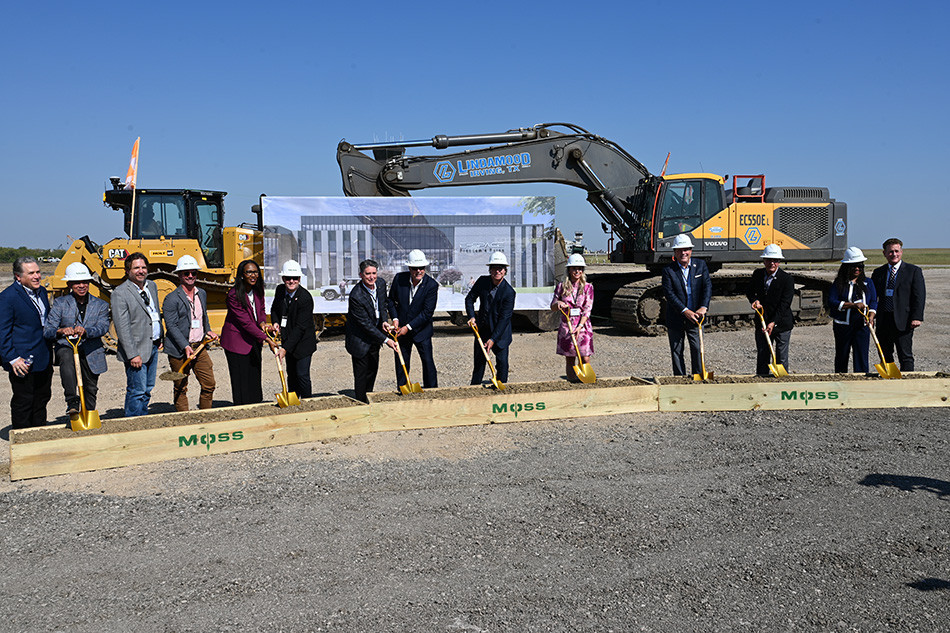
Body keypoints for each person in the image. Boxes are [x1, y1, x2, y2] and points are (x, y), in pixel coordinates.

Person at [43, 263, 110, 416]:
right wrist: (60, 331)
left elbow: (103, 327)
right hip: (67, 346)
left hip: (91, 349)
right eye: (77, 283)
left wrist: (87, 331)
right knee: (66, 358)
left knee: (91, 388)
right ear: (69, 284)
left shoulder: (101, 305)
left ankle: (89, 413)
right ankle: (72, 401)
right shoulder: (60, 304)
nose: (81, 286)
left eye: (84, 282)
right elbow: (48, 330)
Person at [0, 257, 54, 428]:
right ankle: (22, 436)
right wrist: (13, 358)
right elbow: (2, 331)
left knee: (42, 397)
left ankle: (37, 433)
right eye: (31, 273)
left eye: (38, 272)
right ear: (18, 276)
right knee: (24, 401)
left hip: (43, 357)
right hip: (22, 361)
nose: (37, 276)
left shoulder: (42, 292)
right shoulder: (7, 297)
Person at [162, 255, 218, 411]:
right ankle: (184, 420)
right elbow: (171, 326)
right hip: (179, 350)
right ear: (179, 275)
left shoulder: (202, 293)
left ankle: (205, 417)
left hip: (199, 347)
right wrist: (185, 346)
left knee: (209, 384)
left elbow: (203, 315)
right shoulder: (171, 299)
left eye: (194, 273)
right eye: (186, 273)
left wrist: (208, 330)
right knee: (180, 386)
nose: (191, 276)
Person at [111, 252, 163, 417]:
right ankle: (133, 424)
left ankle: (143, 420)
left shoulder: (152, 286)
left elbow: (153, 313)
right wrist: (132, 354)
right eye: (136, 268)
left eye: (143, 267)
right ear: (128, 271)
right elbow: (122, 327)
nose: (141, 271)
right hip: (137, 351)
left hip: (153, 345)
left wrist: (159, 336)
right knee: (137, 390)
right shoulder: (120, 293)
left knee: (148, 389)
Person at [220, 259, 277, 405]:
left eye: (256, 272)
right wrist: (267, 339)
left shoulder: (258, 290)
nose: (253, 275)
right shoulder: (234, 295)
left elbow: (261, 310)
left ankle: (256, 406)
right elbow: (245, 323)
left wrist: (263, 323)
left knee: (254, 376)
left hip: (253, 341)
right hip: (237, 343)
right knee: (241, 380)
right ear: (241, 275)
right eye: (249, 272)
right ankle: (242, 408)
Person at [345, 259, 397, 403]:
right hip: (360, 340)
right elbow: (365, 324)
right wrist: (386, 340)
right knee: (361, 374)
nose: (371, 277)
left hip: (375, 338)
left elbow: (383, 305)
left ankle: (369, 396)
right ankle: (361, 402)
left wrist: (385, 321)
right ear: (361, 274)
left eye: (374, 273)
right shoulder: (356, 295)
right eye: (368, 274)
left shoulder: (380, 284)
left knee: (372, 370)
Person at [387, 249, 439, 389]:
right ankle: (402, 389)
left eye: (421, 268)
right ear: (409, 268)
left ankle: (432, 390)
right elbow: (391, 301)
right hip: (400, 331)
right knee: (402, 363)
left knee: (428, 362)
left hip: (422, 331)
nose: (418, 271)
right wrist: (395, 318)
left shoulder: (431, 285)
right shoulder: (399, 279)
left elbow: (427, 313)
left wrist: (408, 327)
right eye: (415, 268)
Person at [871, 238, 925, 372]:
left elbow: (919, 296)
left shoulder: (913, 271)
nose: (894, 254)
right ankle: (890, 381)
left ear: (901, 252)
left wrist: (917, 317)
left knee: (905, 355)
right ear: (884, 253)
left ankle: (906, 385)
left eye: (896, 251)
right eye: (890, 252)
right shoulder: (878, 273)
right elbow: (872, 297)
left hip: (904, 321)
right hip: (884, 320)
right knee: (884, 355)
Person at [661, 234, 711, 376]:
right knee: (677, 351)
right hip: (676, 317)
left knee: (697, 348)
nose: (683, 253)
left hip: (696, 317)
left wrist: (703, 307)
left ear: (691, 251)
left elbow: (707, 287)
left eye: (686, 249)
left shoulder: (700, 266)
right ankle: (679, 379)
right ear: (675, 253)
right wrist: (685, 311)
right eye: (680, 250)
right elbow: (669, 294)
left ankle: (698, 376)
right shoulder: (668, 270)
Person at [466, 252, 516, 385]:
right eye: (494, 268)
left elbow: (505, 319)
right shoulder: (482, 281)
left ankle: (501, 387)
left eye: (500, 268)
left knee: (502, 364)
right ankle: (474, 390)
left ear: (505, 271)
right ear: (490, 270)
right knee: (479, 364)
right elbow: (469, 299)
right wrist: (472, 316)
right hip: (482, 330)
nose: (497, 271)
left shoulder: (509, 292)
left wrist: (493, 339)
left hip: (500, 333)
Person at [271, 260, 317, 399]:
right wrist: (275, 322)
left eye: (295, 278)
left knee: (302, 375)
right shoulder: (280, 290)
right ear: (283, 278)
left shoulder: (305, 298)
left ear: (299, 279)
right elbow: (275, 309)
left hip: (303, 343)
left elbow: (300, 328)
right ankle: (293, 400)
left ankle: (308, 402)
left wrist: (285, 348)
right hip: (288, 339)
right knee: (291, 373)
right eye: (288, 278)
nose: (291, 281)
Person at [747, 244, 794, 376]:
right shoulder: (758, 274)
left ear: (779, 262)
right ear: (764, 260)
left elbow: (784, 304)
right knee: (763, 354)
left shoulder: (787, 279)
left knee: (781, 356)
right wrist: (754, 301)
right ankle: (761, 381)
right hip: (762, 322)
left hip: (781, 323)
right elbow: (750, 291)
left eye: (775, 260)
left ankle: (781, 381)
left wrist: (773, 322)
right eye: (768, 260)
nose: (771, 263)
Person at [828, 247, 877, 374]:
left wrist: (871, 315)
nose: (857, 269)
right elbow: (832, 301)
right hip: (843, 326)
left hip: (862, 326)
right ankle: (840, 379)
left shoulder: (868, 282)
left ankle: (860, 380)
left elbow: (873, 301)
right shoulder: (839, 283)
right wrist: (852, 305)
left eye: (860, 266)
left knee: (861, 356)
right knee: (842, 355)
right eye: (854, 266)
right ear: (846, 266)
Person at [551, 253, 594, 381]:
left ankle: (585, 379)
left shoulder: (588, 287)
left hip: (583, 325)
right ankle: (572, 382)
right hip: (567, 326)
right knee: (570, 358)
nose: (577, 271)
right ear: (569, 270)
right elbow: (552, 306)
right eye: (574, 268)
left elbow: (588, 309)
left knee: (585, 356)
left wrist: (580, 326)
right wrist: (557, 303)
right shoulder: (561, 287)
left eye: (580, 268)